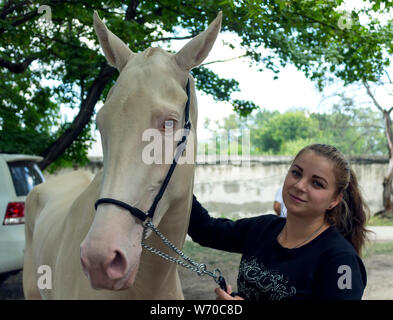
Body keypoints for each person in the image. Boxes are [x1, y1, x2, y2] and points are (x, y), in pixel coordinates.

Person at [188, 144, 369, 300]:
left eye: (317, 184)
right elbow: (206, 230)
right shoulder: (262, 228)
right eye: (296, 173)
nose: (299, 185)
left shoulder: (341, 261)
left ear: (335, 199)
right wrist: (176, 185)